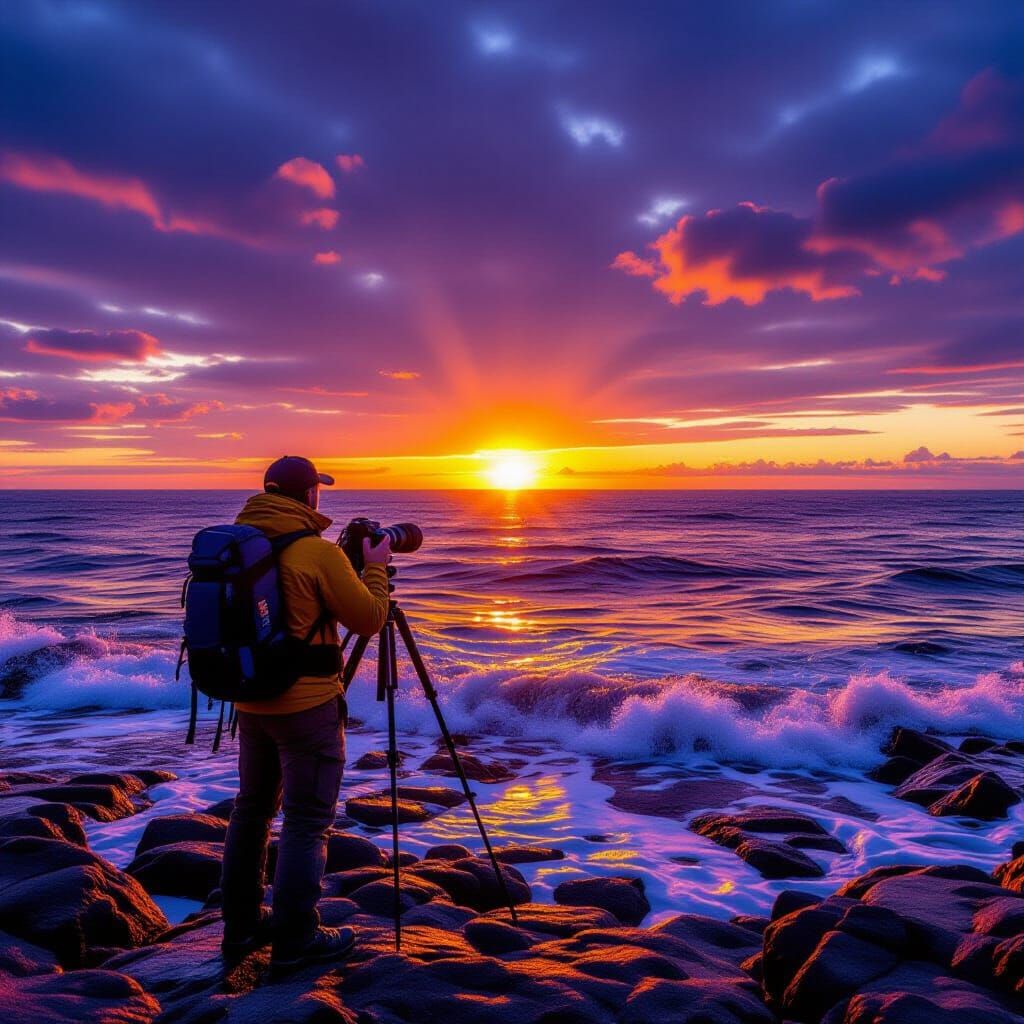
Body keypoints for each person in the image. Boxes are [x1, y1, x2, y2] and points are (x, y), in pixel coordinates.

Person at [219, 455, 391, 969]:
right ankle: (295, 939)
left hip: (250, 701)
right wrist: (375, 569)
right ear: (310, 494)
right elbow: (369, 618)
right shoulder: (316, 552)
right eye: (318, 489)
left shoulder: (237, 546)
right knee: (306, 821)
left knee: (251, 811)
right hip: (307, 707)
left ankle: (241, 928)